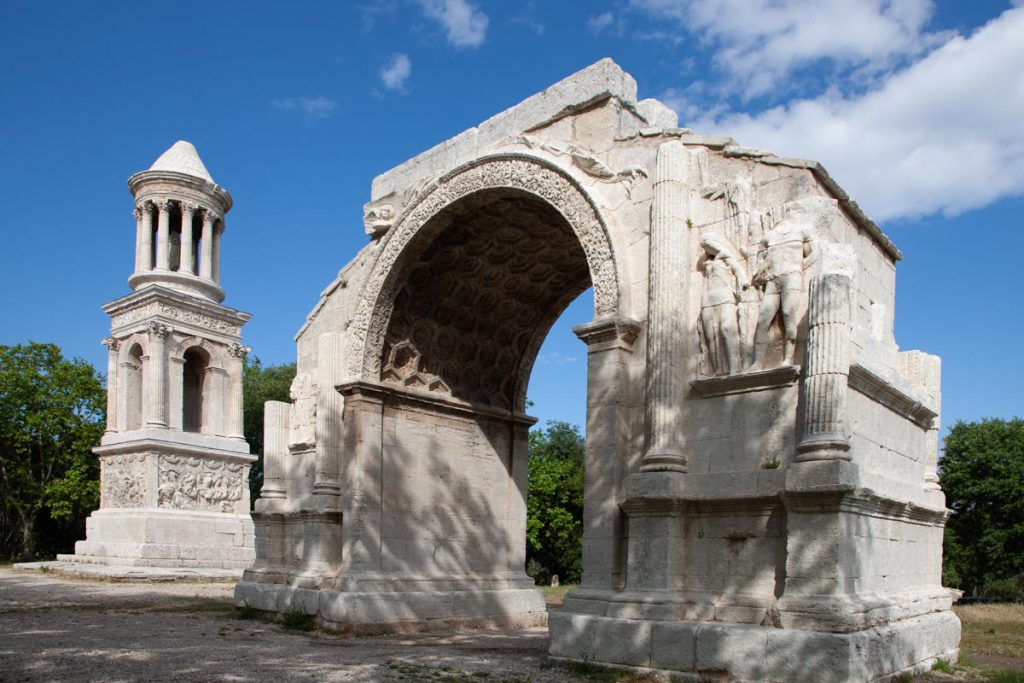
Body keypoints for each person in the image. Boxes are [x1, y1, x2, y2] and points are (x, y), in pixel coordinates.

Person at [748, 202, 816, 369]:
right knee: (763, 319)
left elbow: (813, 254)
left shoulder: (801, 231)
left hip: (792, 276)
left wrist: (798, 268)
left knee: (788, 314)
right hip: (773, 279)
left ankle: (788, 358)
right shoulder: (768, 237)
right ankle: (757, 362)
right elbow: (761, 261)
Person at [699, 234, 749, 376]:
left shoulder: (726, 257)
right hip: (707, 299)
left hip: (725, 296)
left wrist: (743, 282)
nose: (707, 248)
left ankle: (734, 367)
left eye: (709, 245)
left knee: (726, 329)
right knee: (710, 335)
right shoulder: (706, 261)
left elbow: (738, 270)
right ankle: (717, 369)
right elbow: (702, 250)